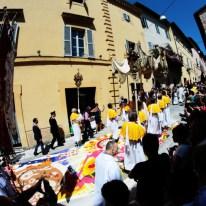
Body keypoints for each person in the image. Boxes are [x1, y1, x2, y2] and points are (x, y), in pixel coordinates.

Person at [129, 134, 171, 206]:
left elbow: (130, 175)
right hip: (162, 195)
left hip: (146, 199)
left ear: (144, 149)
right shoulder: (165, 158)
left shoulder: (141, 166)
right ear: (157, 146)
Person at [94, 140, 122, 206]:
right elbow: (117, 184)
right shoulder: (112, 165)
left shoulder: (98, 157)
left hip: (98, 191)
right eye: (117, 148)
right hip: (108, 196)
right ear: (112, 150)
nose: (118, 150)